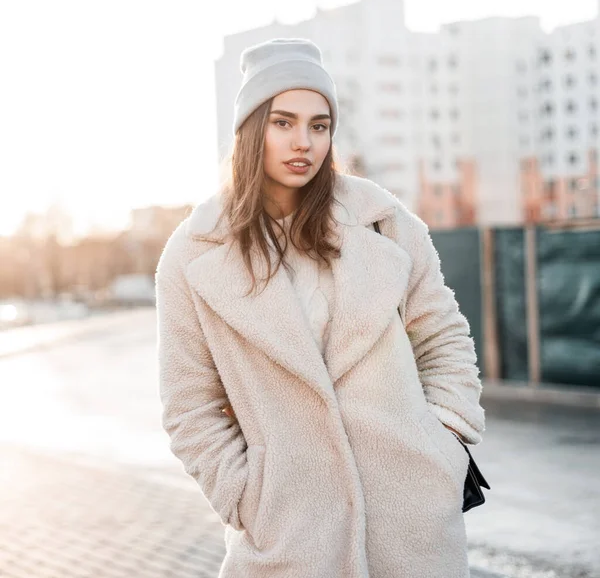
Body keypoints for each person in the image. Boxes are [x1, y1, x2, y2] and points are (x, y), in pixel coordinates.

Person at [155, 37, 485, 578]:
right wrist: (248, 498)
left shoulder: (384, 221)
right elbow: (189, 406)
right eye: (282, 122)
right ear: (249, 129)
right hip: (288, 537)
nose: (302, 141)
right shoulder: (195, 255)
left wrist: (444, 441)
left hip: (412, 527)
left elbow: (442, 334)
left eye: (318, 124)